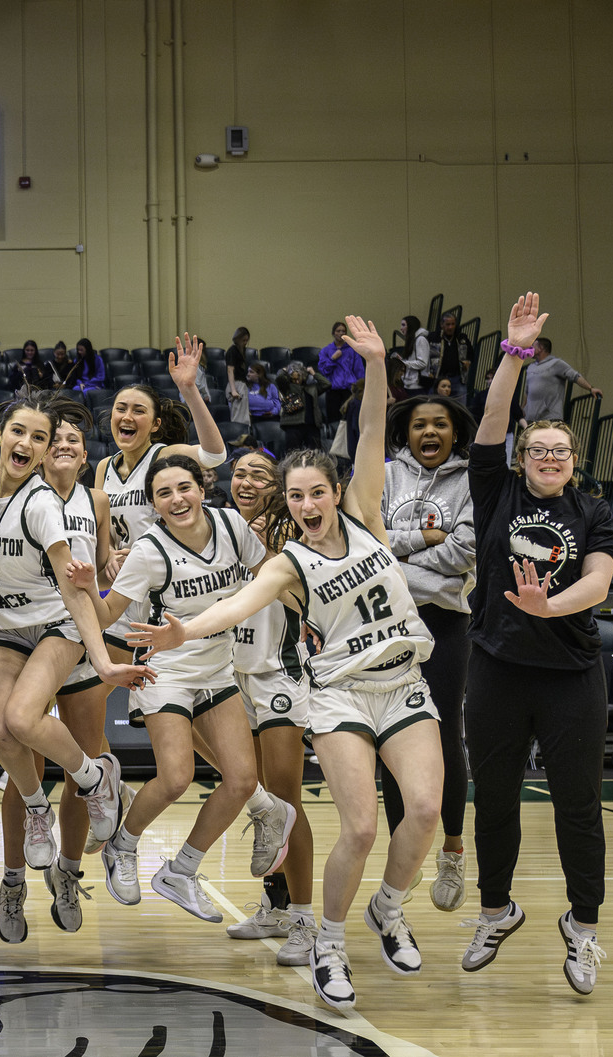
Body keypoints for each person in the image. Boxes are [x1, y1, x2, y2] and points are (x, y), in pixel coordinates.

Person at [131, 316, 442, 1012]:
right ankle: (323, 936)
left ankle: (387, 909)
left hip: (403, 681)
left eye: (312, 492)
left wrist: (376, 364)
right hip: (337, 692)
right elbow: (234, 606)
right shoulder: (283, 559)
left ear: (334, 492)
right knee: (354, 823)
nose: (307, 503)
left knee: (422, 809)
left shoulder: (365, 513)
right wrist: (182, 633)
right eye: (295, 496)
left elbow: (369, 432)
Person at [459, 292, 613, 997]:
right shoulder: (495, 492)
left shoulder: (592, 510)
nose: (550, 457)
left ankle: (583, 928)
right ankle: (496, 910)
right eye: (539, 450)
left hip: (571, 676)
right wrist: (515, 353)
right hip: (496, 669)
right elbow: (491, 423)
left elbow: (602, 580)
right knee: (493, 798)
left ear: (573, 462)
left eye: (561, 451)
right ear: (522, 459)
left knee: (577, 803)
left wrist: (547, 604)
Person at [71, 450, 294, 924]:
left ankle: (181, 871)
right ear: (153, 504)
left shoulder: (233, 527)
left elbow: (271, 578)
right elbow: (109, 615)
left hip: (217, 667)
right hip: (164, 669)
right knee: (176, 777)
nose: (176, 499)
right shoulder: (150, 552)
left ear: (202, 487)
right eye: (163, 493)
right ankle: (122, 847)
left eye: (183, 488)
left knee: (240, 782)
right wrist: (91, 588)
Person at [0, 402, 118, 940]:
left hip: (66, 625)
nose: (40, 443)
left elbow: (82, 585)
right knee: (6, 734)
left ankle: (69, 865)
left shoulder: (76, 502)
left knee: (38, 734)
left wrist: (105, 655)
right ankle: (14, 881)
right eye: (22, 432)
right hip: (12, 629)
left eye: (46, 437)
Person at [380, 394, 478, 913]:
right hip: (389, 622)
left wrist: (399, 555)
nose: (430, 432)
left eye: (441, 423)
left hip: (445, 622)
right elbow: (370, 542)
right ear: (407, 432)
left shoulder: (470, 482)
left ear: (455, 431)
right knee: (390, 735)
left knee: (443, 734)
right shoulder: (388, 476)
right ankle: (405, 852)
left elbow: (465, 552)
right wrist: (423, 536)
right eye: (420, 424)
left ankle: (454, 848)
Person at [220, 450, 317, 967]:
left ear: (278, 487)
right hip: (229, 675)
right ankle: (275, 905)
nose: (246, 480)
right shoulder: (213, 531)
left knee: (285, 800)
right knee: (259, 804)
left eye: (259, 474)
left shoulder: (293, 535)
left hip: (277, 673)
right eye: (239, 473)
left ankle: (303, 918)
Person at [95, 340, 227, 658]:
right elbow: (99, 529)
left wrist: (189, 389)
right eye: (121, 408)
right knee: (100, 681)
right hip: (125, 588)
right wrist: (110, 553)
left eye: (139, 411)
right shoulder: (103, 467)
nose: (127, 415)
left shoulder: (164, 456)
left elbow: (215, 454)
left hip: (167, 586)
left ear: (155, 425)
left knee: (164, 685)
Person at [521, 337, 602, 424]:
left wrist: (590, 388)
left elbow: (575, 376)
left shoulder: (556, 363)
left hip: (550, 418)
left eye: (533, 346)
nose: (530, 349)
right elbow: (527, 391)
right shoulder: (530, 367)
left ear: (541, 348)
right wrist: (522, 409)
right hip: (531, 419)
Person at [318, 320, 364, 423]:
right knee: (334, 420)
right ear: (333, 333)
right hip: (333, 390)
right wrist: (332, 359)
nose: (341, 333)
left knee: (349, 420)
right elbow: (323, 370)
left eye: (343, 331)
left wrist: (359, 388)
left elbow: (359, 370)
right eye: (338, 331)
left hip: (349, 390)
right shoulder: (326, 350)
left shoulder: (352, 350)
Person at [246, 363, 283, 456]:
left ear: (259, 374)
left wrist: (273, 412)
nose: (248, 374)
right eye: (248, 372)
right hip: (255, 419)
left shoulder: (270, 386)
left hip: (272, 417)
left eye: (251, 372)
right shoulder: (246, 387)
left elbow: (277, 403)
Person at [432, 313, 472, 396]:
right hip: (438, 378)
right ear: (442, 325)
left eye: (453, 324)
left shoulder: (462, 339)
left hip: (458, 378)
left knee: (459, 407)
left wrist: (468, 362)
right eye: (448, 324)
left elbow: (471, 354)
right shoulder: (434, 338)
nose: (450, 327)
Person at [396, 315, 430, 396]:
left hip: (417, 384)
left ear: (411, 326)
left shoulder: (420, 340)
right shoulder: (412, 340)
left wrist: (404, 363)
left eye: (404, 325)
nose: (401, 328)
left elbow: (422, 363)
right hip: (409, 383)